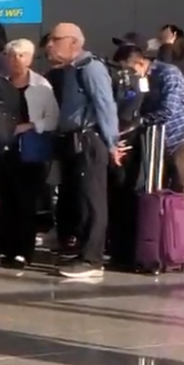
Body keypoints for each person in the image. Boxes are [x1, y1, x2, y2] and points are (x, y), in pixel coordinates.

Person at [45, 23, 120, 281]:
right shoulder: (71, 70)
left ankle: (92, 259)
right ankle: (81, 251)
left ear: (74, 43)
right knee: (79, 199)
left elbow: (105, 106)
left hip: (89, 141)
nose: (50, 45)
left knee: (92, 200)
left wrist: (112, 144)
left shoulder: (91, 68)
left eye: (56, 39)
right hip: (73, 141)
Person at [0, 39, 59, 268]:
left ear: (30, 58)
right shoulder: (1, 84)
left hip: (31, 151)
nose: (16, 60)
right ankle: (5, 248)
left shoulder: (41, 86)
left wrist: (30, 125)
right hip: (5, 150)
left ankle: (24, 251)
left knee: (26, 202)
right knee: (6, 200)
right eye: (12, 55)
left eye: (21, 55)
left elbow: (53, 119)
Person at [129, 40, 184, 217]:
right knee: (162, 189)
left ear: (140, 63)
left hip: (180, 136)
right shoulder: (144, 79)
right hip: (157, 139)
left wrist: (140, 121)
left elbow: (168, 109)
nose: (131, 76)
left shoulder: (168, 73)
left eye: (132, 71)